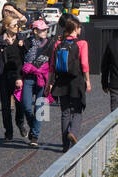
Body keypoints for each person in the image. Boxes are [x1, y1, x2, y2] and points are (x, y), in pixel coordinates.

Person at [50, 15, 91, 151]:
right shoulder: (82, 44)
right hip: (76, 81)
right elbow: (84, 64)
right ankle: (73, 131)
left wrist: (48, 84)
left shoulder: (58, 44)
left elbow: (51, 66)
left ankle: (64, 145)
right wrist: (88, 81)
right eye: (79, 27)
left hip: (61, 82)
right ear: (75, 29)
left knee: (65, 112)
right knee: (78, 109)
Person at [0, 17, 28, 141]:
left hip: (18, 75)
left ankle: (20, 122)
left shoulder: (21, 38)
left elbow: (28, 55)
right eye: (14, 25)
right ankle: (8, 132)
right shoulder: (0, 41)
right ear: (7, 27)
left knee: (20, 103)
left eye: (17, 25)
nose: (16, 27)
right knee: (5, 106)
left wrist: (23, 46)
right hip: (4, 76)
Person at [19, 18, 53, 146]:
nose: (45, 32)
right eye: (42, 30)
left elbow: (50, 62)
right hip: (28, 77)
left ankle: (35, 136)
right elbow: (21, 59)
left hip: (43, 77)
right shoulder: (26, 43)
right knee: (27, 106)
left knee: (39, 108)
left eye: (45, 30)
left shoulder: (49, 44)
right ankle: (33, 124)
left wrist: (51, 81)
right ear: (35, 31)